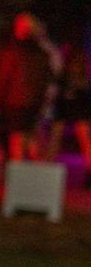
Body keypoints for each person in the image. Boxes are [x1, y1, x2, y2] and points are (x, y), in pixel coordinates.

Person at [0, 13, 54, 161]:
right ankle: (35, 174)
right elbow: (47, 79)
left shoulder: (15, 51)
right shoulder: (41, 52)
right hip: (33, 102)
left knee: (17, 139)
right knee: (30, 137)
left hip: (17, 102)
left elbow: (4, 78)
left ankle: (19, 177)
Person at [47, 33, 91, 188]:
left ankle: (47, 171)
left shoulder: (77, 57)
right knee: (61, 134)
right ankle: (46, 172)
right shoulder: (67, 55)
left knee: (82, 135)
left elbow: (81, 80)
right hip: (70, 100)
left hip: (76, 99)